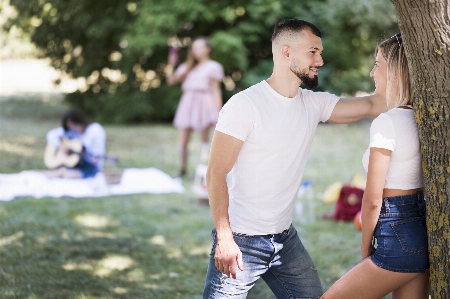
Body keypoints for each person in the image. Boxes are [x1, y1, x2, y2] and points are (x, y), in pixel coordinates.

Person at [203, 19, 386, 299]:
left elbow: (373, 104)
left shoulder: (312, 104)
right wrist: (225, 238)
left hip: (284, 239)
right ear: (286, 52)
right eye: (313, 52)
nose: (320, 60)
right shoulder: (244, 105)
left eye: (320, 52)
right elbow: (216, 173)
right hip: (241, 241)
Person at [321, 34, 429, 299]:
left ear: (394, 71)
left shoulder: (387, 122)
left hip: (396, 235)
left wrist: (365, 248)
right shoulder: (422, 116)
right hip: (422, 231)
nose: (372, 73)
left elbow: (372, 200)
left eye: (377, 64)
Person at [167, 37, 224, 178]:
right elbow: (171, 80)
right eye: (194, 48)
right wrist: (171, 65)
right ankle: (182, 169)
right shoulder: (187, 67)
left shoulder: (213, 67)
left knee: (205, 140)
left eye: (199, 48)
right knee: (183, 140)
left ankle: (203, 171)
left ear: (207, 49)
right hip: (188, 102)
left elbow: (216, 90)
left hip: (204, 103)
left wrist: (219, 111)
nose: (195, 51)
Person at [44, 109, 106, 179]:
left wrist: (94, 157)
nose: (72, 128)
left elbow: (96, 152)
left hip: (90, 165)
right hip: (76, 164)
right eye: (69, 126)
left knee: (66, 174)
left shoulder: (95, 129)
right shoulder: (72, 132)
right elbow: (51, 135)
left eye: (73, 125)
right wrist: (60, 146)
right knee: (61, 172)